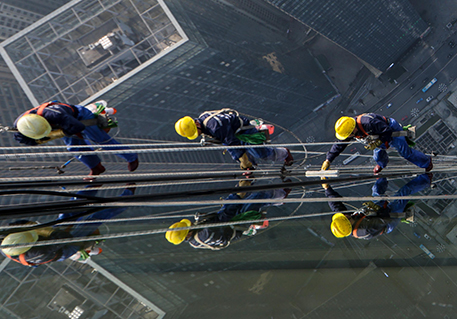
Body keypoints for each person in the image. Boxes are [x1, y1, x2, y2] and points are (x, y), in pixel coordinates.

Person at [2, 185, 134, 266]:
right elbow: (63, 237)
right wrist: (48, 231)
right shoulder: (39, 252)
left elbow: (20, 226)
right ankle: (127, 197)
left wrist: (23, 225)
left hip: (50, 238)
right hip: (64, 248)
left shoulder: (6, 239)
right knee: (93, 220)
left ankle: (93, 186)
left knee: (71, 208)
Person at [12, 101, 138, 177]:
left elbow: (78, 126)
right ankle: (95, 167)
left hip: (80, 117)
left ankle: (131, 157)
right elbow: (22, 139)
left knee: (101, 139)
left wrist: (57, 133)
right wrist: (39, 140)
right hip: (62, 124)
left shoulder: (54, 114)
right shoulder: (20, 126)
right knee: (75, 148)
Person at [165, 181, 288, 249]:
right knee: (258, 197)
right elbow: (224, 219)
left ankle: (278, 197)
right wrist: (235, 196)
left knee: (253, 198)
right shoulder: (203, 234)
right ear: (188, 233)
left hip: (234, 221)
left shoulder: (197, 235)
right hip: (239, 224)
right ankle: (283, 194)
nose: (191, 223)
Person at [175, 109, 292, 170]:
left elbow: (232, 144)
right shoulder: (203, 119)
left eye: (197, 132)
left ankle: (285, 153)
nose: (198, 134)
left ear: (197, 125)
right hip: (233, 133)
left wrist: (243, 161)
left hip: (244, 131)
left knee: (261, 154)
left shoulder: (214, 126)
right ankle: (251, 168)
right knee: (244, 156)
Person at [325, 174, 432, 239]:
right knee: (403, 193)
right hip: (387, 220)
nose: (346, 215)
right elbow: (384, 219)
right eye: (346, 218)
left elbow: (336, 205)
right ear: (349, 224)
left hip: (374, 213)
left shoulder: (346, 222)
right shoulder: (364, 230)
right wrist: (377, 208)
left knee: (377, 189)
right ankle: (426, 180)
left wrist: (327, 188)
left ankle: (382, 173)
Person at [327, 114, 432, 175]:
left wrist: (379, 142)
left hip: (391, 130)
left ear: (353, 129)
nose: (349, 137)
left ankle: (426, 162)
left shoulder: (368, 122)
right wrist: (328, 160)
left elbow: (387, 130)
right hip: (376, 136)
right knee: (377, 155)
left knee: (405, 152)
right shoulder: (351, 129)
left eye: (349, 135)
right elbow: (340, 144)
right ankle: (382, 164)